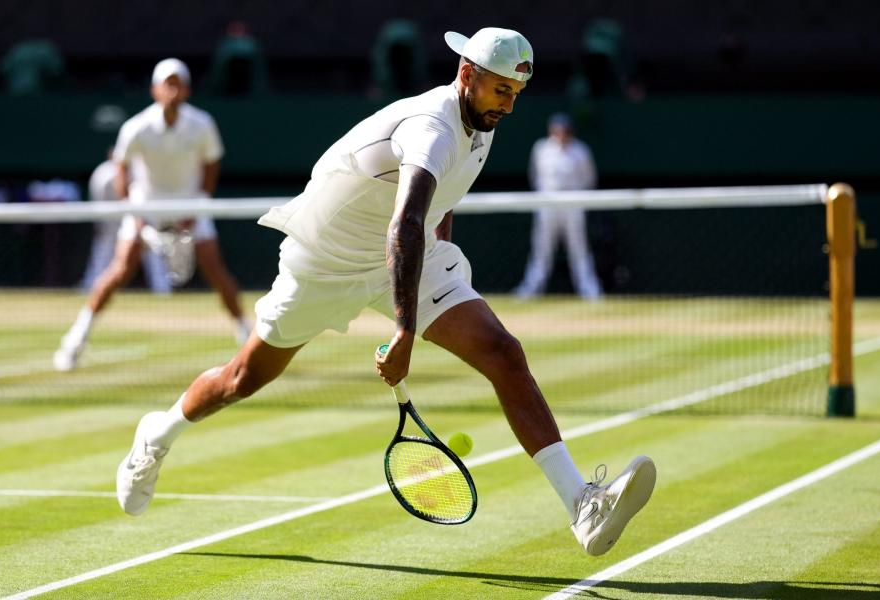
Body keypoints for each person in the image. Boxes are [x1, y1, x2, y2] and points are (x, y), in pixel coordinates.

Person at [115, 29, 655, 557]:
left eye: (515, 93)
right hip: (325, 263)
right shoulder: (432, 127)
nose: (508, 105)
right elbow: (406, 223)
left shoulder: (482, 122)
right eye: (500, 90)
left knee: (503, 352)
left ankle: (582, 505)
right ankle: (157, 435)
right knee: (243, 378)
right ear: (466, 74)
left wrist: (441, 281)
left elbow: (435, 210)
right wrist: (404, 329)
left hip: (404, 256)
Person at [53, 58, 249, 372]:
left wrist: (198, 206)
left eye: (178, 83)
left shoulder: (202, 124)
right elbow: (121, 167)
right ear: (155, 89)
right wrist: (135, 209)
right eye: (167, 83)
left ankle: (245, 335)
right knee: (118, 271)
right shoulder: (136, 127)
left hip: (190, 206)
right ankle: (75, 341)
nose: (172, 89)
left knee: (215, 271)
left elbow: (211, 166)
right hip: (146, 206)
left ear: (186, 89)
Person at [514, 112, 604, 300]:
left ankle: (590, 292)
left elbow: (589, 179)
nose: (560, 133)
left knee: (578, 249)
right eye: (556, 129)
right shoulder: (541, 148)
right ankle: (531, 290)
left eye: (563, 129)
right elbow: (535, 176)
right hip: (546, 205)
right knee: (541, 249)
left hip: (573, 205)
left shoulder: (581, 150)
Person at [79, 157, 171, 294]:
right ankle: (90, 286)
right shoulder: (104, 174)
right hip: (114, 221)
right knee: (105, 254)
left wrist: (141, 221)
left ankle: (162, 288)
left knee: (152, 250)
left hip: (140, 219)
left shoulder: (140, 171)